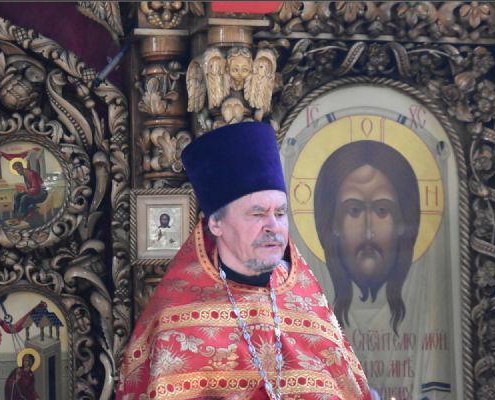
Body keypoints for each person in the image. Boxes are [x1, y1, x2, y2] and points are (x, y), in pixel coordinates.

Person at [117, 122, 370, 399]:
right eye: (257, 214)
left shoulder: (310, 305)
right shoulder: (173, 320)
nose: (273, 226)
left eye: (281, 213)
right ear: (216, 224)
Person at [314, 140, 420, 335]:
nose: (369, 231)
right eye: (354, 210)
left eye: (382, 210)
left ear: (401, 222)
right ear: (334, 224)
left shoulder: (424, 301)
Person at [9, 161, 48, 225]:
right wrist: (24, 191)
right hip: (34, 192)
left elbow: (36, 188)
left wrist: (26, 191)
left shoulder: (31, 174)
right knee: (17, 195)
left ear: (21, 168)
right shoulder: (25, 174)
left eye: (17, 170)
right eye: (16, 170)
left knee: (24, 198)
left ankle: (20, 218)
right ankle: (16, 215)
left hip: (41, 194)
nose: (17, 172)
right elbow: (30, 188)